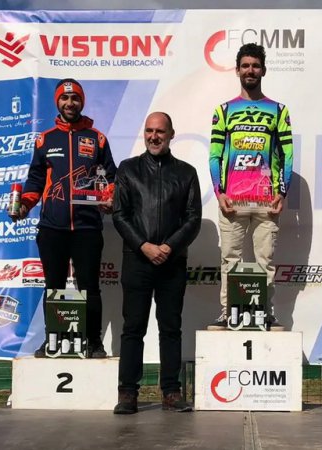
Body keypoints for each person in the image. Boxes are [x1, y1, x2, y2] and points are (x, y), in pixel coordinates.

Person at [14, 78, 116, 359]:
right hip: (52, 228)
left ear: (82, 102)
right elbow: (35, 181)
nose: (70, 103)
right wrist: (24, 205)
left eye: (75, 98)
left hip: (87, 227)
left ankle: (93, 342)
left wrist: (109, 197)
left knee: (90, 288)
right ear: (57, 102)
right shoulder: (45, 139)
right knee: (54, 287)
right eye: (64, 98)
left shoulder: (97, 138)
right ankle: (54, 340)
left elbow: (110, 177)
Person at [112, 112, 202, 414]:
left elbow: (193, 219)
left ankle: (171, 392)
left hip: (172, 262)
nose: (154, 136)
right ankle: (128, 393)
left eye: (160, 132)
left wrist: (168, 247)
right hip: (137, 259)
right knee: (133, 328)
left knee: (171, 328)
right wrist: (144, 246)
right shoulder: (128, 169)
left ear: (171, 134)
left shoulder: (187, 173)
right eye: (149, 131)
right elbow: (120, 215)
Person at [208, 43, 293, 331]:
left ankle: (265, 313)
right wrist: (219, 193)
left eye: (255, 66)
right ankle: (228, 312)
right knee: (229, 260)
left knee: (265, 261)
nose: (250, 70)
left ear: (263, 70)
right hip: (233, 199)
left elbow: (287, 153)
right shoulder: (224, 110)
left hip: (267, 200)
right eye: (245, 66)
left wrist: (282, 192)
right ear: (237, 70)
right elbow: (215, 155)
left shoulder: (278, 110)